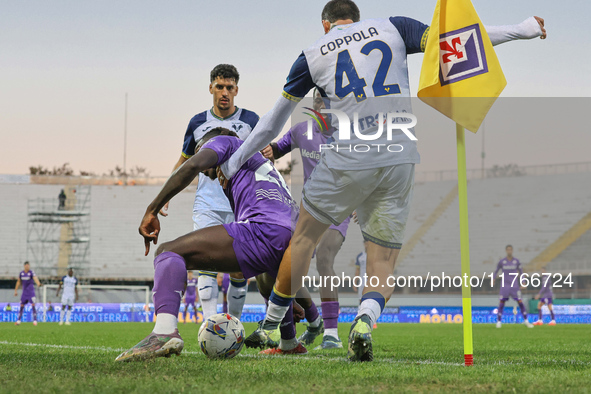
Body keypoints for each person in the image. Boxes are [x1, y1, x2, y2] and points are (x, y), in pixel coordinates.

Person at [218, 0, 547, 361]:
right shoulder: (394, 27)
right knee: (382, 262)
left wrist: (233, 163)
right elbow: (462, 41)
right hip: (399, 155)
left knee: (304, 238)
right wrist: (522, 29)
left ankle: (270, 325)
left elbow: (271, 122)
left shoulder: (312, 54)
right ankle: (364, 319)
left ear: (326, 25)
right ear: (356, 19)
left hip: (348, 156)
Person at [116, 127, 302, 362]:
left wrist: (152, 209)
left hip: (264, 230)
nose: (203, 168)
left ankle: (163, 332)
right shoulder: (266, 168)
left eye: (201, 152)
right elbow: (280, 234)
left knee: (168, 251)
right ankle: (289, 342)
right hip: (294, 239)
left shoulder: (227, 142)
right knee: (266, 278)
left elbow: (191, 166)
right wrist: (287, 294)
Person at [160, 64, 258, 321]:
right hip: (207, 203)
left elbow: (262, 161)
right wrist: (166, 196)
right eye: (219, 87)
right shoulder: (197, 122)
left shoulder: (251, 121)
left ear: (236, 89)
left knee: (239, 269)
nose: (224, 92)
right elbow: (184, 161)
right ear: (211, 88)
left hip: (240, 204)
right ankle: (211, 325)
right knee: (206, 264)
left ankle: (233, 325)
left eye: (229, 87)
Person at [261, 88, 347, 349]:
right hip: (309, 212)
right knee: (283, 266)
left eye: (329, 100)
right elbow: (275, 149)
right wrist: (261, 149)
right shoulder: (301, 130)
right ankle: (313, 320)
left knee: (324, 258)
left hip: (338, 210)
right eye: (319, 100)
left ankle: (331, 335)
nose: (323, 105)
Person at [494, 245, 534, 328]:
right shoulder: (502, 261)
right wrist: (493, 278)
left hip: (514, 285)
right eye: (508, 250)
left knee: (520, 302)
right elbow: (496, 271)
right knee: (502, 303)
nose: (509, 251)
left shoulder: (516, 261)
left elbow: (521, 272)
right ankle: (498, 321)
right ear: (506, 251)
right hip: (505, 285)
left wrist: (523, 281)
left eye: (510, 250)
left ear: (512, 250)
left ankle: (526, 321)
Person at [14, 261, 42, 326]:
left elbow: (35, 278)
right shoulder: (21, 273)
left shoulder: (31, 272)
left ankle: (35, 320)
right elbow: (18, 282)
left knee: (33, 305)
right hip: (24, 293)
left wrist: (38, 283)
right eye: (26, 265)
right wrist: (15, 291)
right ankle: (18, 321)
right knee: (21, 306)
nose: (27, 267)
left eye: (28, 265)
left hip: (31, 292)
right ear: (24, 266)